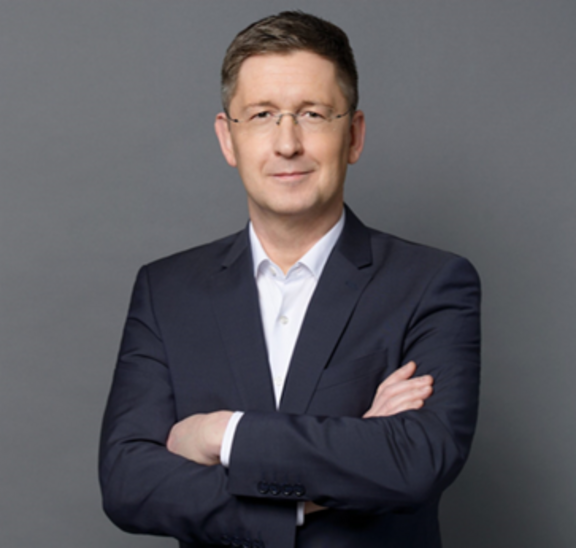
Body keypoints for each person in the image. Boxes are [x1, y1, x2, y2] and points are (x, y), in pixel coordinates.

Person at [99, 11, 480, 548]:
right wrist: (340, 465)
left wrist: (220, 433)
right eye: (261, 115)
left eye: (312, 114)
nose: (287, 143)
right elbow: (128, 482)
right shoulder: (166, 292)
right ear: (227, 139)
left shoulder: (432, 284)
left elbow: (415, 461)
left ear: (354, 135)